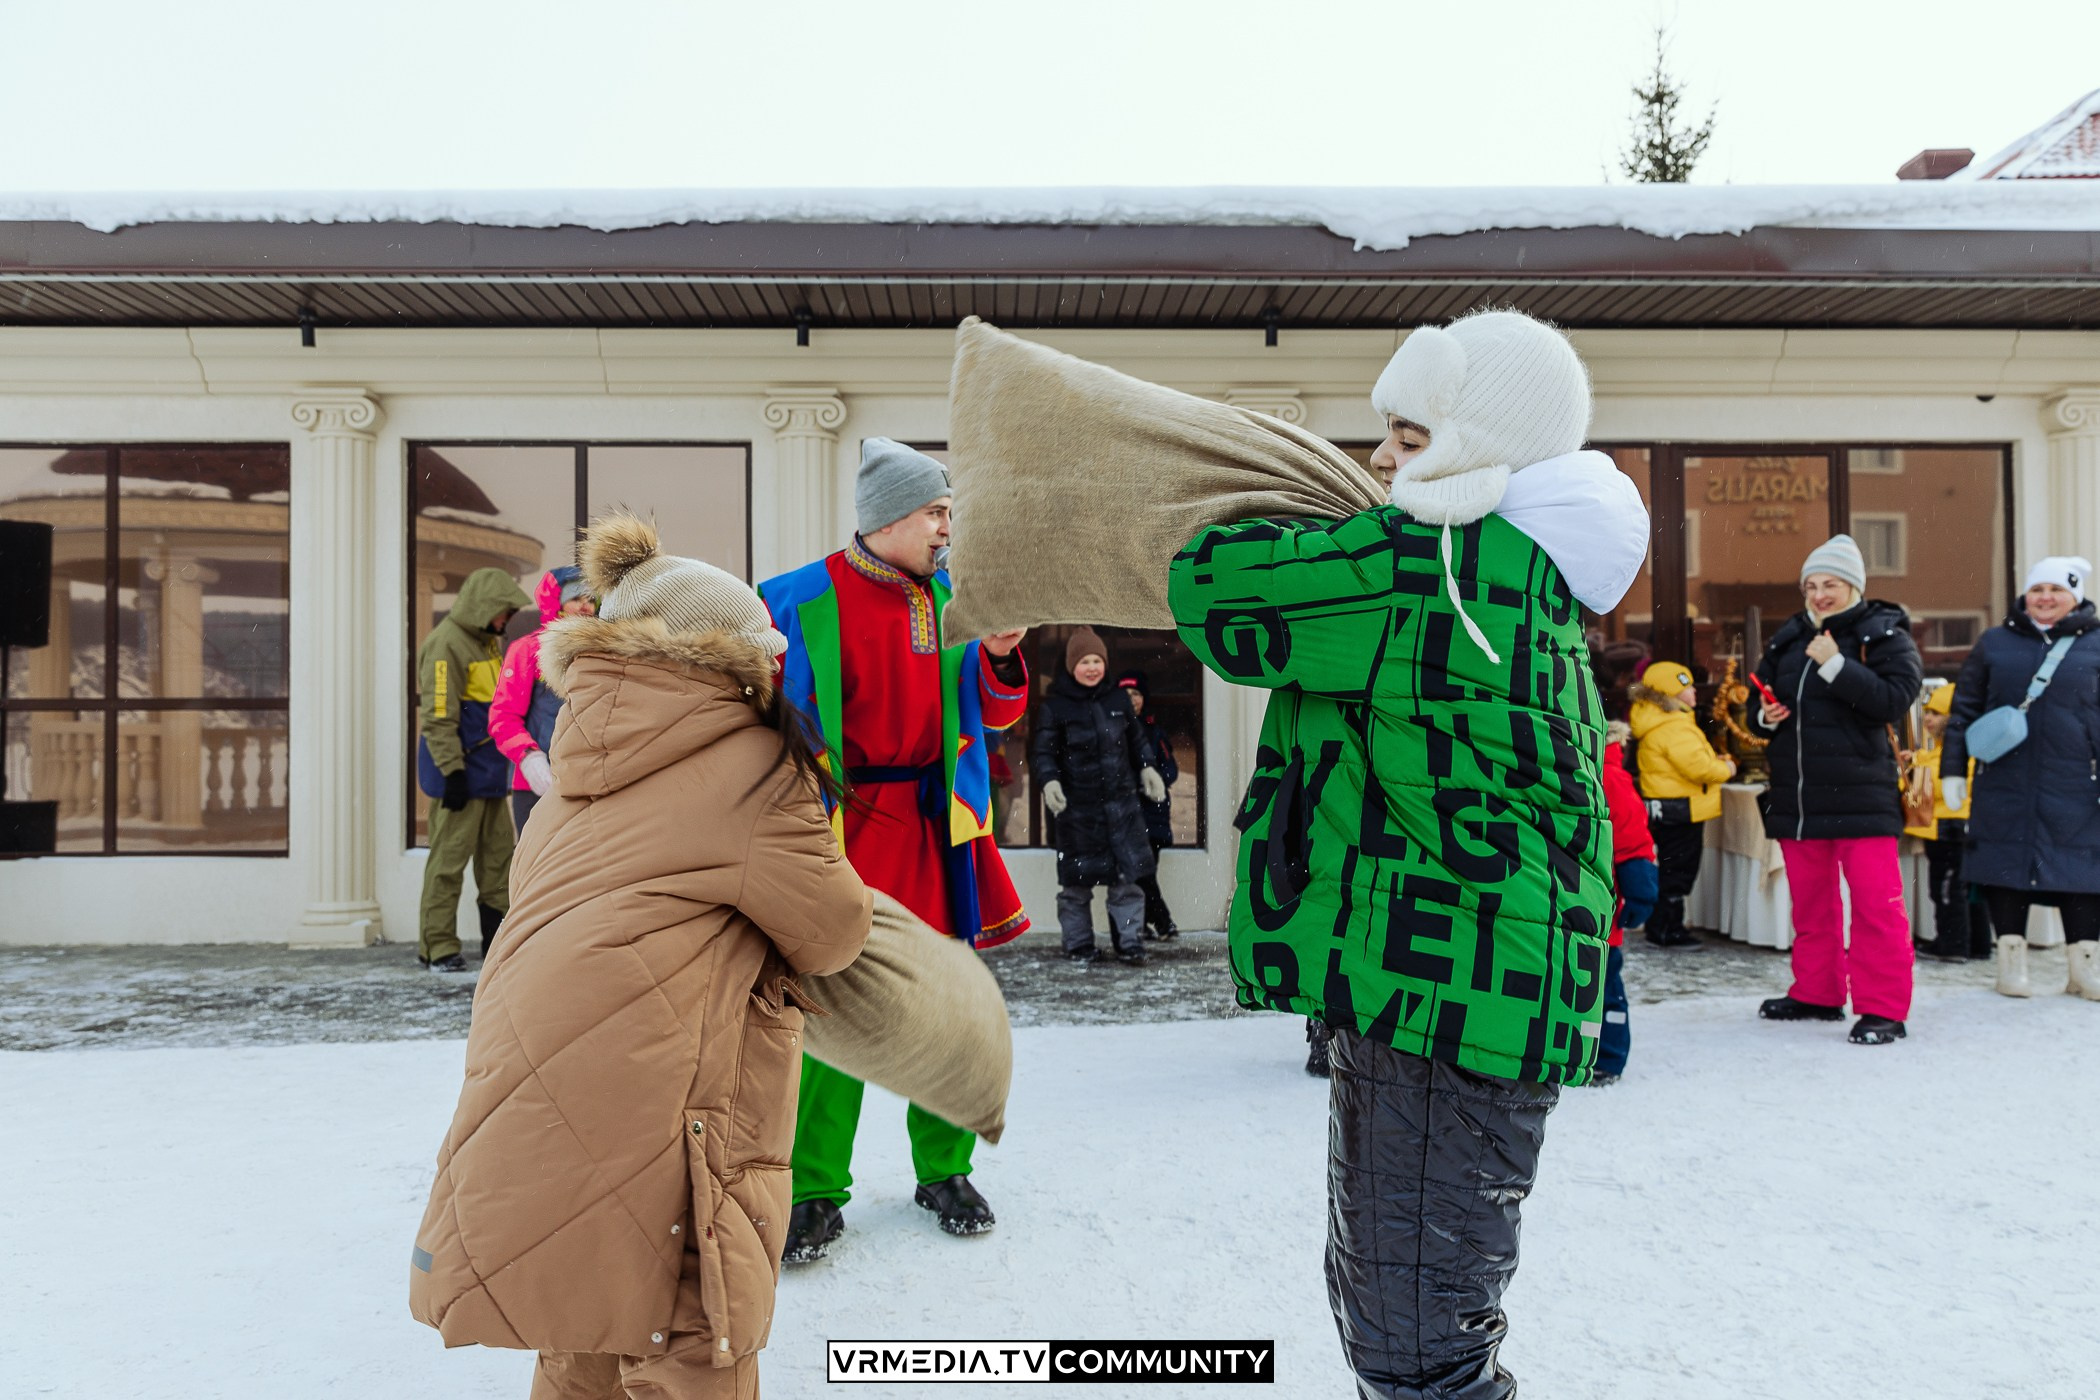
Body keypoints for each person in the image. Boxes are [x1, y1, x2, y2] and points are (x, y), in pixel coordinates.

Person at [1171, 309, 1648, 1400]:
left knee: (1415, 1345)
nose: (1382, 459)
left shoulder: (1432, 560)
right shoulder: (1523, 568)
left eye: (1412, 436)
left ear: (1484, 441)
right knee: (1416, 1316)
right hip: (1476, 991)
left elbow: (1213, 595)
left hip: (1443, 1005)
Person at [408, 515, 873, 1400]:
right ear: (726, 659)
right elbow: (833, 930)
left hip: (535, 1087)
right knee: (692, 1331)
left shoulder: (576, 763)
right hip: (666, 1101)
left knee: (585, 1320)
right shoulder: (749, 766)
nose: (778, 668)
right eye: (765, 652)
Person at [760, 437, 1032, 1263]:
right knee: (835, 1008)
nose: (949, 528)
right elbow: (756, 714)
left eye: (950, 511)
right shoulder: (794, 597)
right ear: (888, 519)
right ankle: (813, 1189)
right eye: (936, 512)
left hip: (934, 824)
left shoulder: (958, 594)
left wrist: (1000, 652)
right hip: (838, 827)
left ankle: (942, 1171)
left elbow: (995, 712)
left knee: (943, 1006)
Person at [1752, 534, 1923, 1045]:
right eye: (1812, 585)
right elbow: (1755, 701)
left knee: (1876, 907)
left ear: (1853, 586)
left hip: (1862, 797)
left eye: (1831, 584)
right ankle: (1817, 992)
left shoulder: (1883, 633)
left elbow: (1895, 699)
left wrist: (1835, 664)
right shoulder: (1789, 635)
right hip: (1799, 800)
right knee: (1810, 907)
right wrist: (1765, 715)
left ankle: (1884, 1009)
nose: (1820, 594)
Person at [1942, 556, 2100, 1001]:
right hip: (2003, 780)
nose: (2045, 598)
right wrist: (1953, 771)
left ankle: (2084, 968)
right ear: (2025, 595)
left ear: (2076, 596)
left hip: (2077, 784)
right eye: (2037, 590)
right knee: (2003, 867)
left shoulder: (2097, 644)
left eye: (2057, 590)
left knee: (2083, 872)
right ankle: (2011, 966)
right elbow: (1964, 713)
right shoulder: (1994, 643)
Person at [415, 565, 531, 971]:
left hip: (490, 775)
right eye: (504, 612)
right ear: (484, 606)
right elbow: (438, 715)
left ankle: (496, 945)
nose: (507, 620)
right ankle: (439, 949)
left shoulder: (488, 643)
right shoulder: (446, 644)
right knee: (448, 865)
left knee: (498, 863)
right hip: (459, 777)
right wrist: (452, 772)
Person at [1030, 632, 1162, 965]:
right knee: (1076, 886)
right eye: (1085, 661)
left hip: (1122, 808)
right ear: (1072, 665)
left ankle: (1130, 943)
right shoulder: (1055, 707)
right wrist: (1049, 782)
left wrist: (1148, 768)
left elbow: (1136, 740)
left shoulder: (1118, 701)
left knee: (1127, 882)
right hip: (1078, 812)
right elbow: (1043, 752)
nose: (1092, 668)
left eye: (1097, 661)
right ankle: (1078, 945)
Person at [1628, 659, 1736, 949]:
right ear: (1670, 693)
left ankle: (1659, 925)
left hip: (1665, 806)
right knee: (1679, 870)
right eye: (1686, 687)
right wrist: (1726, 769)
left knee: (1669, 866)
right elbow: (1698, 767)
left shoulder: (1656, 720)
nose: (1694, 692)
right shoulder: (1674, 725)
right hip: (1683, 807)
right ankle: (1668, 928)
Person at [489, 565, 595, 835]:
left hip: (590, 785)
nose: (585, 606)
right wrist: (529, 757)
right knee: (538, 871)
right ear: (555, 602)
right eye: (575, 599)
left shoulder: (602, 653)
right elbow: (503, 717)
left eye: (590, 599)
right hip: (538, 786)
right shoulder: (528, 651)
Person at [1599, 720, 1658, 1084]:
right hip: (1567, 900)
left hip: (1600, 904)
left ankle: (1608, 1056)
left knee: (1605, 987)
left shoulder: (1610, 776)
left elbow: (1632, 842)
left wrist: (1640, 892)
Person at [1905, 682, 1980, 962]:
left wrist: (1916, 768)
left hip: (1950, 826)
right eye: (1927, 712)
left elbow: (1940, 785)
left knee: (1946, 888)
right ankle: (1976, 943)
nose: (1928, 718)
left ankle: (1953, 945)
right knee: (1963, 887)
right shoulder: (1944, 749)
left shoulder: (1958, 752)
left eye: (1936, 713)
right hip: (1952, 824)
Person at [1117, 670, 1182, 940]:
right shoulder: (1114, 730)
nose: (1132, 699)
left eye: (1136, 694)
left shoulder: (1154, 732)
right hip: (1125, 815)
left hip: (1151, 816)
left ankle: (1156, 923)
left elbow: (1171, 771)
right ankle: (1156, 923)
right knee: (1137, 873)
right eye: (1126, 694)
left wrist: (1150, 781)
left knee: (1144, 871)